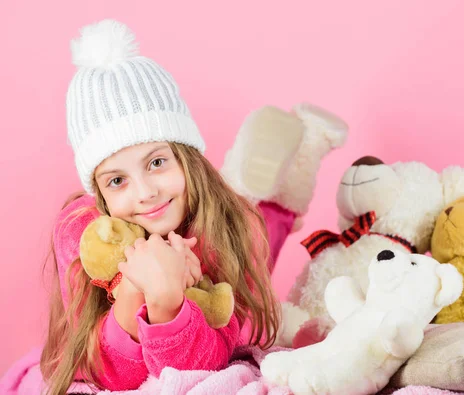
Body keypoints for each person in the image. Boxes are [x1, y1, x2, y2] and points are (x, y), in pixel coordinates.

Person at [31, 19, 348, 395]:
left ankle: (288, 185)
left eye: (157, 162)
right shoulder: (84, 234)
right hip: (211, 211)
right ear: (99, 192)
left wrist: (168, 304)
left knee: (258, 227)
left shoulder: (228, 228)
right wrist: (139, 291)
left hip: (232, 221)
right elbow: (105, 372)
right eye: (117, 180)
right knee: (252, 219)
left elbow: (207, 364)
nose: (146, 192)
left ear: (187, 157)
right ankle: (263, 189)